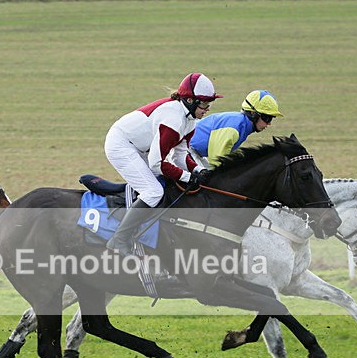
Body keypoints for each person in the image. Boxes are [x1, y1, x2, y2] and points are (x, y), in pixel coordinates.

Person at [104, 73, 222, 256]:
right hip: (121, 145)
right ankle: (118, 239)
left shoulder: (189, 120)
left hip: (140, 147)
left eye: (209, 104)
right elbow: (157, 163)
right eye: (205, 103)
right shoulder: (173, 120)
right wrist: (188, 176)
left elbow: (180, 156)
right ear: (190, 100)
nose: (207, 109)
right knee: (153, 192)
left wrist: (200, 170)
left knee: (164, 185)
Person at [190, 89, 283, 167]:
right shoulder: (234, 128)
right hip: (185, 149)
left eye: (271, 118)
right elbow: (216, 161)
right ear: (253, 113)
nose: (269, 123)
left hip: (195, 152)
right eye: (267, 118)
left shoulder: (242, 126)